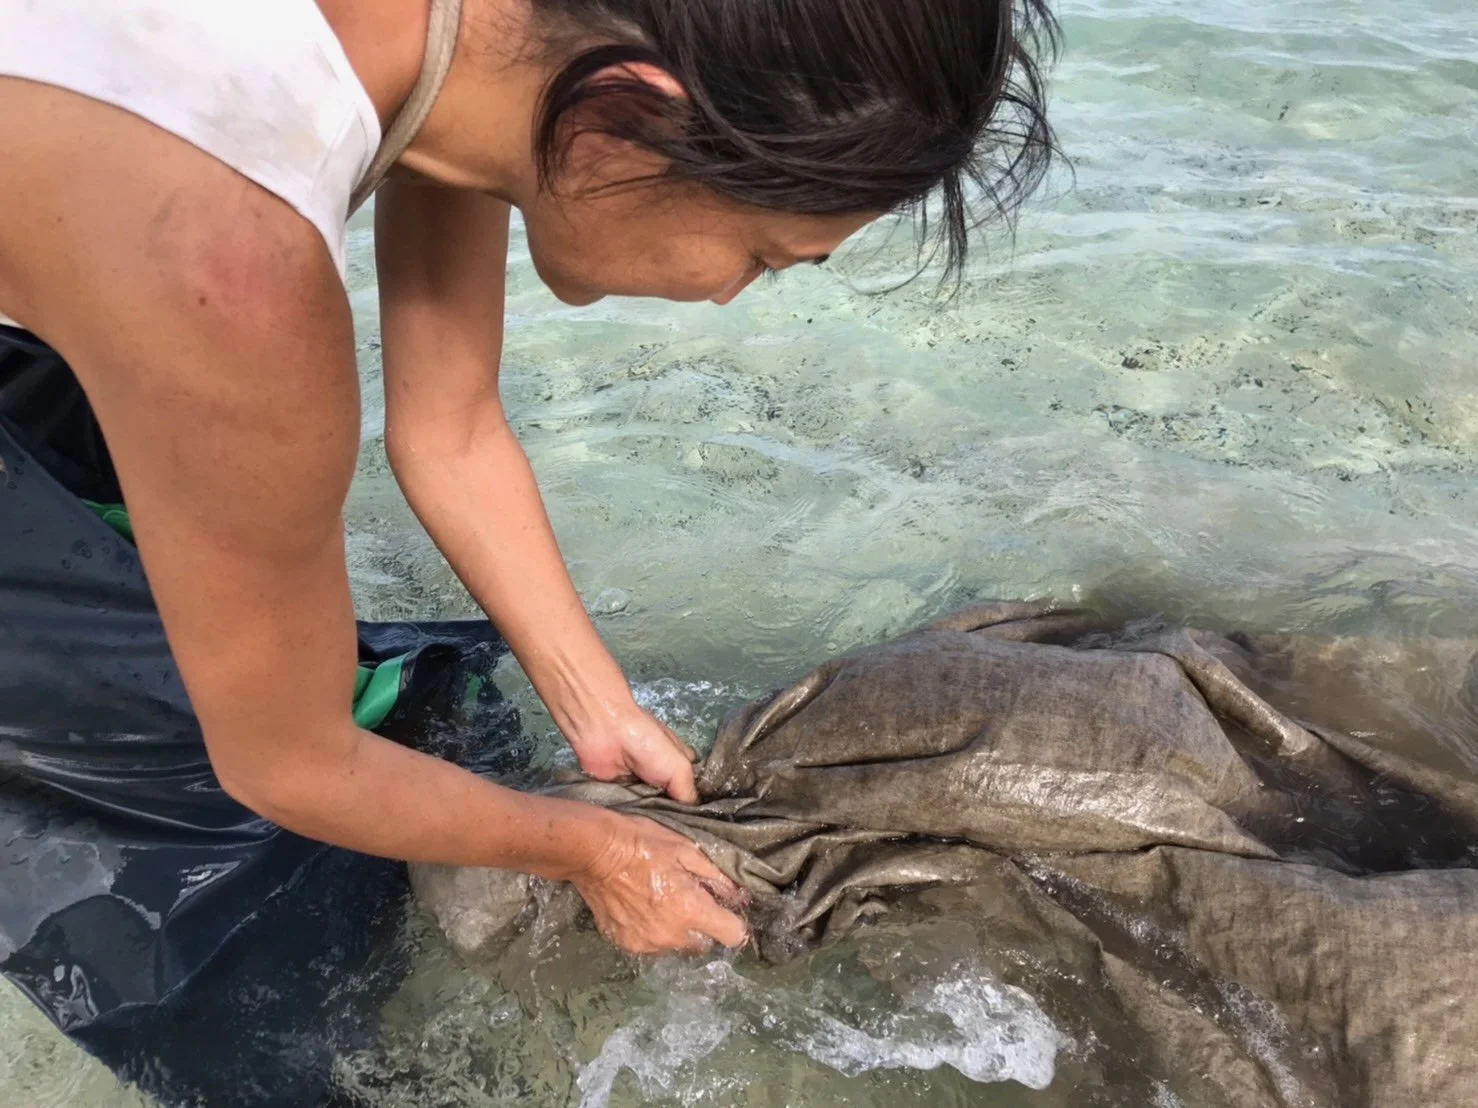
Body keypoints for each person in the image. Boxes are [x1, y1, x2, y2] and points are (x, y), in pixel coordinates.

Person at [0, 0, 1056, 971]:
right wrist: (589, 849)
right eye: (764, 256)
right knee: (230, 868)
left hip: (84, 246)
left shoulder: (488, 60)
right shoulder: (233, 268)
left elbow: (448, 425)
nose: (734, 294)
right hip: (140, 255)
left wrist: (597, 706)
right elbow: (289, 763)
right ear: (621, 125)